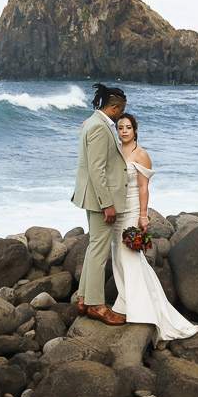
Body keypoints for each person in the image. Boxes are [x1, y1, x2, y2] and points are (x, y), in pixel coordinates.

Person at [110, 112, 198, 340]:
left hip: (133, 209)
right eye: (120, 127)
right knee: (117, 256)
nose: (124, 131)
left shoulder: (141, 155)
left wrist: (143, 216)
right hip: (116, 209)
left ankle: (140, 310)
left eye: (128, 127)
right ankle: (124, 303)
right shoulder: (114, 151)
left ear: (135, 130)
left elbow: (143, 187)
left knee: (130, 256)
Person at [71, 82, 129, 325]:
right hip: (99, 199)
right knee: (99, 250)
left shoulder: (92, 123)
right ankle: (97, 306)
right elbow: (97, 170)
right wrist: (108, 204)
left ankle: (84, 299)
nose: (120, 118)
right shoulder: (99, 127)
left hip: (92, 197)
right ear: (114, 108)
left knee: (94, 247)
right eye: (120, 112)